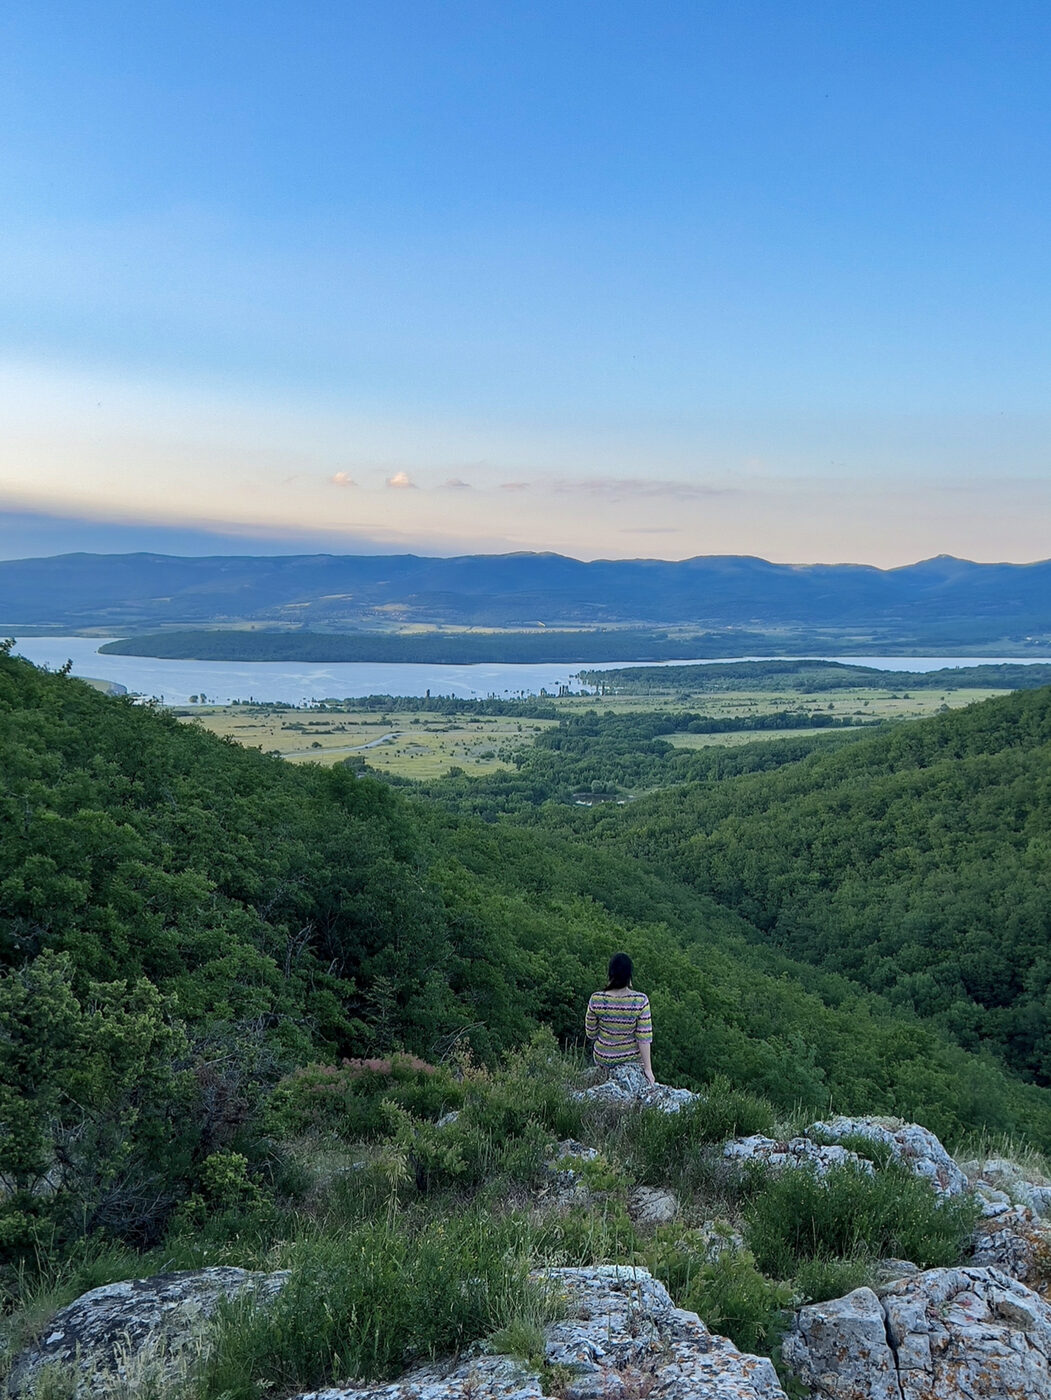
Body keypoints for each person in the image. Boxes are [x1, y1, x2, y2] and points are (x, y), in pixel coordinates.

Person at [585, 952, 654, 1084]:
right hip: (630, 1061)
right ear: (629, 976)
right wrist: (648, 1069)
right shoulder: (640, 1001)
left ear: (610, 973)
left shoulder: (596, 999)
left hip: (603, 1059)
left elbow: (591, 1033)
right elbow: (643, 1038)